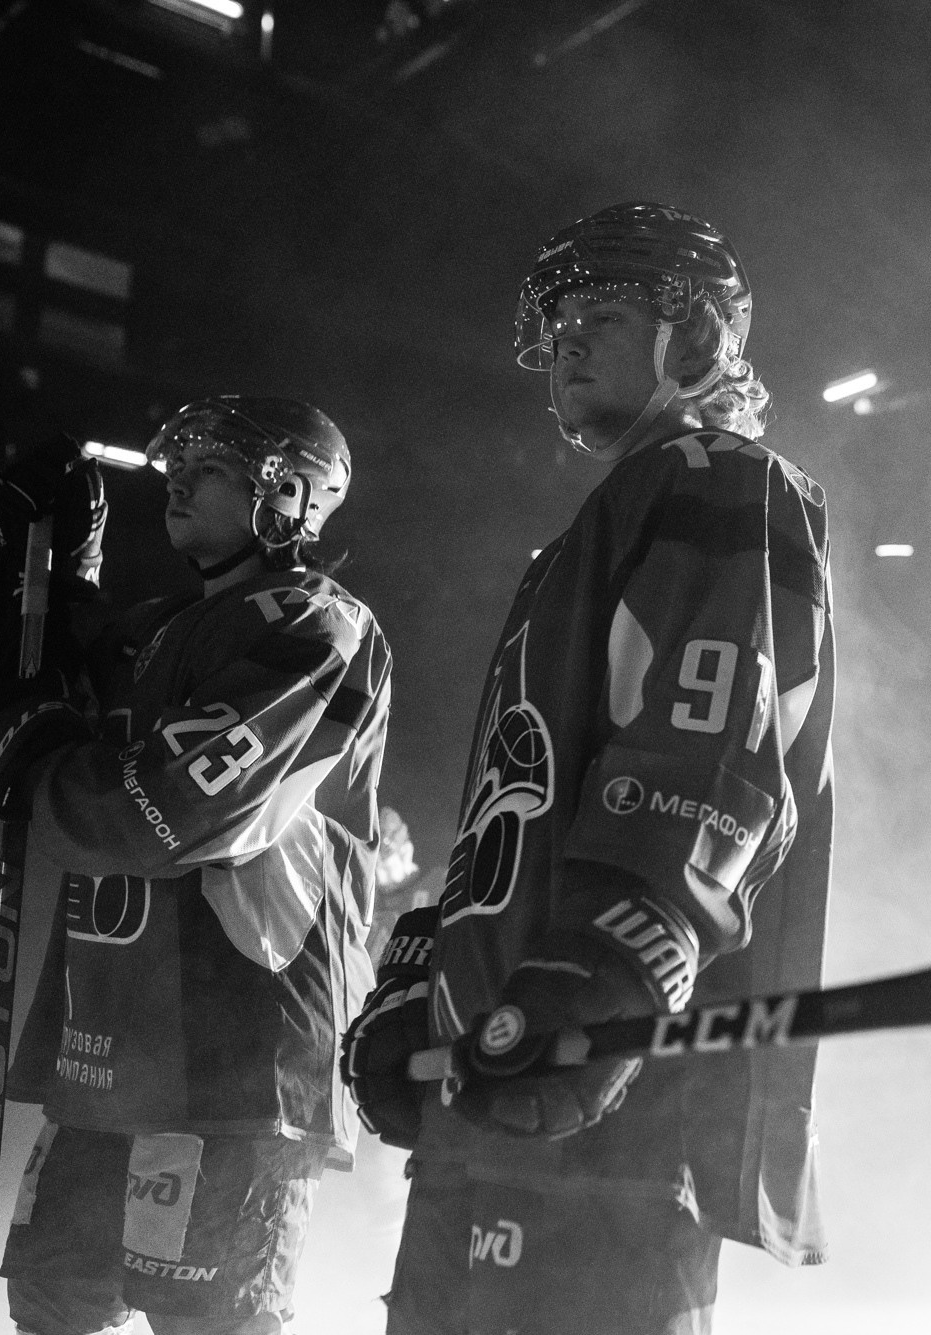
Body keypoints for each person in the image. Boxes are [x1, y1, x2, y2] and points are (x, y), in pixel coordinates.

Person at [341, 201, 836, 1335]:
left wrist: (611, 963)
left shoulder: (723, 482)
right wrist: (434, 967)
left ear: (697, 334)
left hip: (609, 1085)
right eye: (556, 325)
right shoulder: (599, 522)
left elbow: (712, 756)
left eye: (601, 316)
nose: (565, 345)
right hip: (503, 1058)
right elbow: (523, 803)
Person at [0, 397, 394, 1335]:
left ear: (286, 493)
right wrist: (44, 564)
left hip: (234, 1050)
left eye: (214, 465)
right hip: (110, 1045)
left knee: (205, 1318)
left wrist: (39, 762)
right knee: (51, 1303)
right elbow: (36, 682)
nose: (181, 481)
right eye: (178, 463)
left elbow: (169, 806)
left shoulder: (314, 624)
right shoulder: (153, 627)